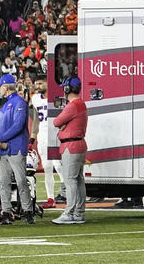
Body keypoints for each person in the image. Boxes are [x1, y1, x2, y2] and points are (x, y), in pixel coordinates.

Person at [0, 74, 34, 225]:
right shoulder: (9, 104)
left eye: (0, 87)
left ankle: (28, 211)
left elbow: (18, 126)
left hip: (15, 147)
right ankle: (7, 212)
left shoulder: (19, 103)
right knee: (4, 182)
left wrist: (1, 139)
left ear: (5, 87)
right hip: (6, 148)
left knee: (20, 181)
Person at [52, 77, 88, 225]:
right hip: (78, 145)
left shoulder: (72, 105)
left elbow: (56, 122)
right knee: (79, 180)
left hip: (71, 146)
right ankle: (79, 212)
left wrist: (63, 126)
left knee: (71, 180)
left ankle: (70, 212)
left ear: (67, 89)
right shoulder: (81, 104)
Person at [30, 75, 62, 208]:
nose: (37, 86)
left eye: (40, 83)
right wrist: (32, 137)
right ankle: (51, 198)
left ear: (48, 84)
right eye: (36, 84)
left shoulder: (57, 97)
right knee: (47, 168)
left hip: (55, 134)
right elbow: (36, 119)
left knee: (59, 165)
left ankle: (68, 193)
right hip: (42, 135)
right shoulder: (35, 98)